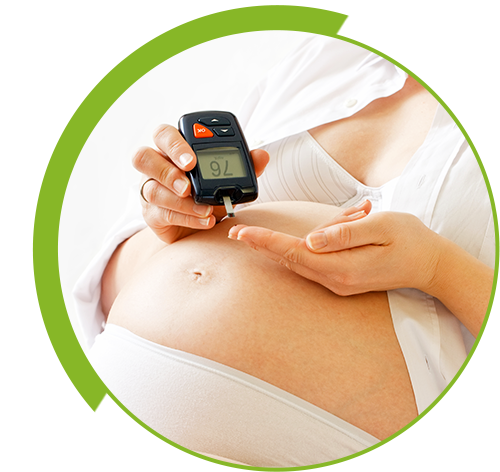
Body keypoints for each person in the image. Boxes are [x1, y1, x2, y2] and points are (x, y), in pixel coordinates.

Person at [65, 26, 496, 471]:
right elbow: (106, 290)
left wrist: (438, 268)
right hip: (93, 395)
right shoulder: (351, 47)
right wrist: (167, 222)